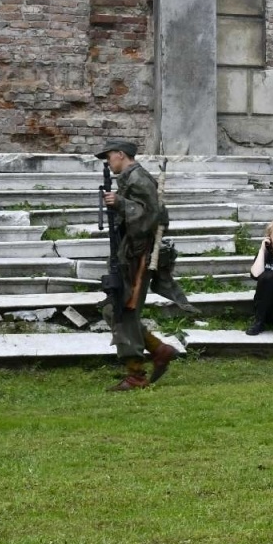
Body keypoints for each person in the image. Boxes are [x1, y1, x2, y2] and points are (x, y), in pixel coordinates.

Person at [97, 140, 180, 391]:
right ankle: (158, 350)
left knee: (121, 311)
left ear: (121, 155)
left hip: (139, 257)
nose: (109, 162)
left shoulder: (138, 178)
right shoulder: (129, 178)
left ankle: (136, 375)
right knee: (115, 309)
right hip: (129, 254)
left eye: (110, 156)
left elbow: (153, 216)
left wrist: (120, 203)